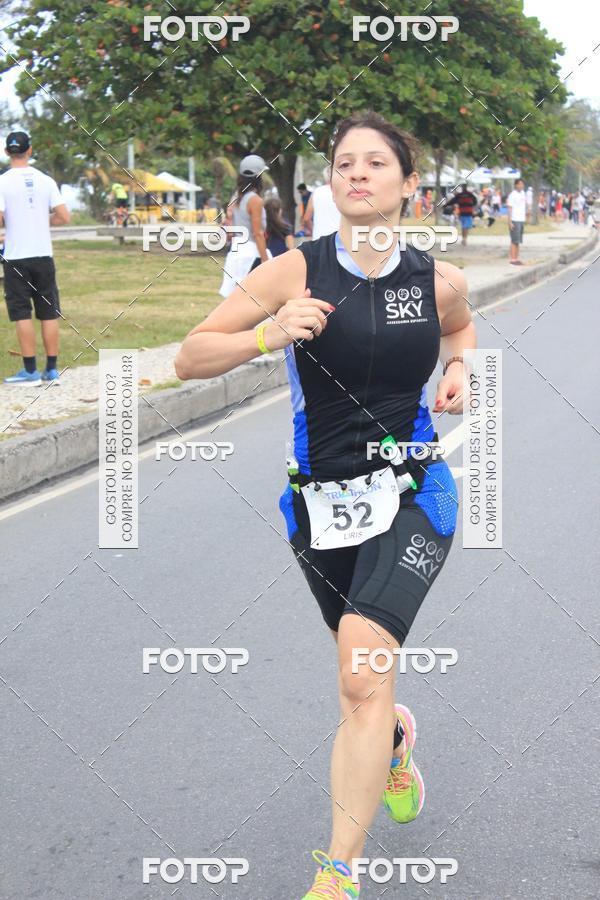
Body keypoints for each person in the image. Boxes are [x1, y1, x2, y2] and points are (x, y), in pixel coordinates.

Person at [175, 110, 475, 899]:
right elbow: (189, 355)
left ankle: (338, 873)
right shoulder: (293, 273)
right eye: (344, 163)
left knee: (358, 673)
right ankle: (397, 743)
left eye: (376, 163)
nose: (357, 174)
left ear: (410, 185)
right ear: (329, 181)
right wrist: (265, 335)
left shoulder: (437, 279)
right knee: (366, 680)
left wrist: (460, 370)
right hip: (319, 505)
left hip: (414, 488)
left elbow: (463, 329)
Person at [0, 131, 70, 385]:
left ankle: (29, 371)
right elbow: (63, 216)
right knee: (49, 312)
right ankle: (51, 369)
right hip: (43, 256)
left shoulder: (3, 181)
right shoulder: (46, 181)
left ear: (7, 152)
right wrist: (41, 221)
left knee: (21, 313)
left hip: (16, 257)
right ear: (30, 150)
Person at [219, 155, 271, 297]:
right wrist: (266, 260)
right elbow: (258, 233)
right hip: (251, 253)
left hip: (236, 252)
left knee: (237, 300)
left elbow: (229, 223)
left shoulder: (236, 196)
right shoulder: (255, 200)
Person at [302, 168, 341, 239]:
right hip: (340, 239)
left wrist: (314, 231)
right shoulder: (343, 192)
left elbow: (306, 218)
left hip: (319, 238)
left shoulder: (316, 192)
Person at [506, 177, 528, 265]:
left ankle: (516, 258)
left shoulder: (523, 193)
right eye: (519, 184)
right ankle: (512, 259)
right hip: (514, 219)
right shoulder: (512, 195)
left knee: (518, 241)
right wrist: (510, 221)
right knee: (514, 240)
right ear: (516, 185)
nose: (521, 186)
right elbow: (509, 209)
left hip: (521, 219)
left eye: (522, 184)